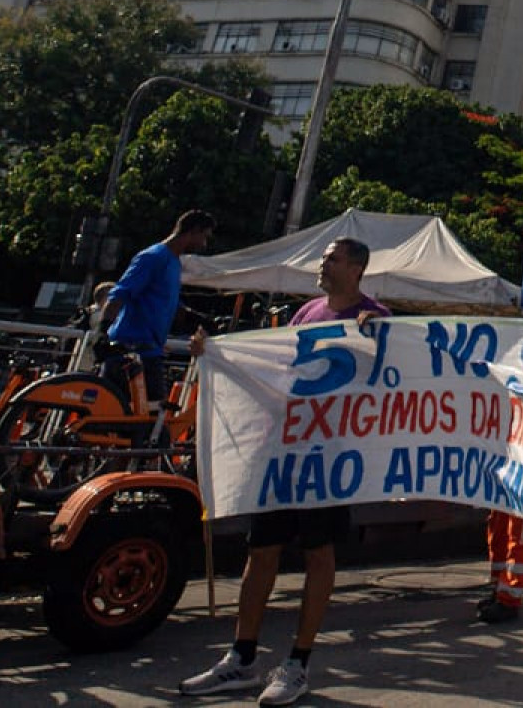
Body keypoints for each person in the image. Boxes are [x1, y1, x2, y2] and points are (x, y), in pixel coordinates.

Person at [180, 238, 390, 705]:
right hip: (285, 454)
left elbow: (395, 372)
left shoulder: (375, 317)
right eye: (324, 258)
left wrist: (380, 334)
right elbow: (275, 366)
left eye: (332, 258)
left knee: (318, 554)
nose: (322, 264)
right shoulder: (307, 313)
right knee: (262, 550)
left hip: (331, 459)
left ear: (356, 267)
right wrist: (215, 352)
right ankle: (243, 656)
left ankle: (297, 663)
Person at [97, 209, 215, 410]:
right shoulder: (153, 257)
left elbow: (166, 303)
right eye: (204, 237)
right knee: (145, 418)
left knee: (145, 417)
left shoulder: (174, 263)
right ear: (194, 231)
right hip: (131, 349)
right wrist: (103, 332)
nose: (204, 244)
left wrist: (201, 319)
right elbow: (119, 294)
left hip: (149, 351)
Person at [478, 510, 523, 623]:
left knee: (518, 537)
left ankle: (509, 600)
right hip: (506, 495)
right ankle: (500, 591)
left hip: (521, 496)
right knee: (499, 529)